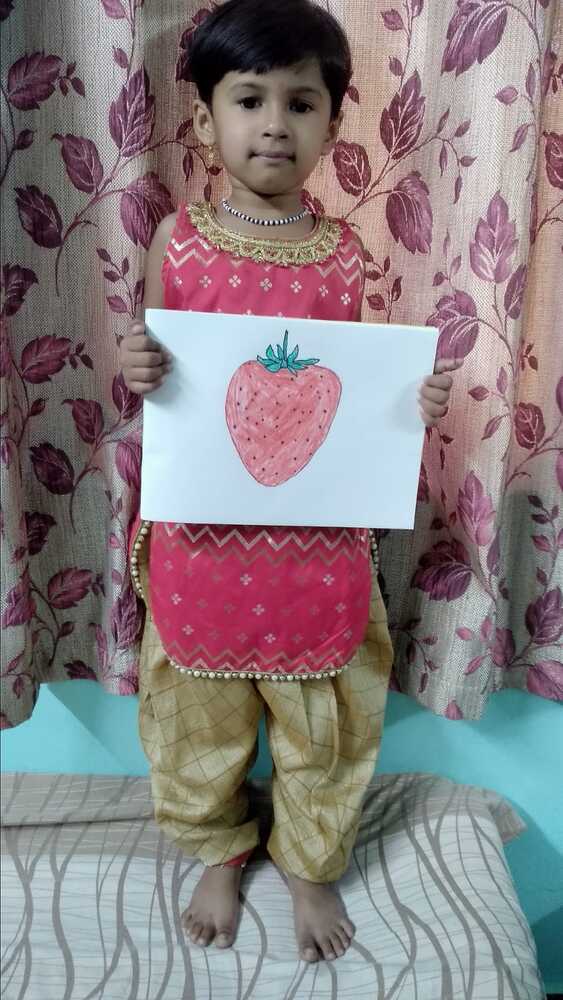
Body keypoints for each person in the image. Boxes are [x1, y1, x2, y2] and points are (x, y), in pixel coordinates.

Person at [120, 0, 459, 964]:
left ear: (331, 121)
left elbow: (341, 391)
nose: (274, 124)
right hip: (202, 537)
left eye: (301, 103)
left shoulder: (344, 254)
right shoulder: (178, 240)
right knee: (199, 716)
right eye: (250, 99)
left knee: (324, 720)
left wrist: (408, 400)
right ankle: (220, 850)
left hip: (315, 542)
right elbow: (159, 365)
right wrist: (139, 367)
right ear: (205, 117)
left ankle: (309, 859)